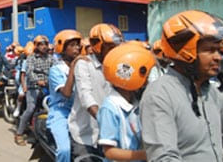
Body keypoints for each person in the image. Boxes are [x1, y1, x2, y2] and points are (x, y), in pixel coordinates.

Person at [141, 10, 223, 160]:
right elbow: (164, 157)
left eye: (219, 51)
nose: (218, 57)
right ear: (187, 53)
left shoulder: (210, 92)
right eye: (210, 50)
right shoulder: (159, 95)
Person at [69, 24, 123, 156]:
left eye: (116, 47)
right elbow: (85, 96)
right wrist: (104, 119)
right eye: (110, 47)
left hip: (110, 134)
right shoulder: (83, 64)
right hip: (85, 134)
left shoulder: (117, 65)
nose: (114, 50)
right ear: (97, 45)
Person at [97, 42, 157, 161]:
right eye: (145, 75)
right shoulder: (110, 108)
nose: (147, 81)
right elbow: (109, 152)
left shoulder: (134, 102)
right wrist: (145, 155)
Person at [47, 30, 83, 162]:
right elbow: (67, 93)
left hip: (80, 110)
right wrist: (73, 67)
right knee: (64, 150)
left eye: (78, 45)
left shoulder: (83, 66)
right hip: (61, 112)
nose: (77, 48)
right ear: (62, 48)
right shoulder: (56, 70)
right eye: (72, 45)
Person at [14, 35, 53, 146]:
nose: (44, 46)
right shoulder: (31, 58)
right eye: (41, 44)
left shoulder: (51, 58)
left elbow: (56, 68)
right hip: (33, 88)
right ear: (36, 46)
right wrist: (37, 81)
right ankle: (19, 134)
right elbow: (30, 73)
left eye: (45, 44)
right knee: (30, 109)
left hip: (48, 87)